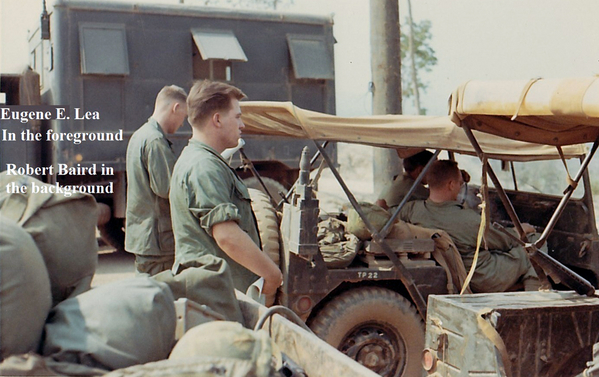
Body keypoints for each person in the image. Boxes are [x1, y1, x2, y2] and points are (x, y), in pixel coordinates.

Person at [169, 80, 283, 296]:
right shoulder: (205, 166)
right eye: (237, 117)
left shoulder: (201, 160)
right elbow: (227, 236)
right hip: (215, 296)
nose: (243, 125)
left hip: (215, 291)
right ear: (218, 119)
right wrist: (272, 275)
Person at [399, 159, 541, 293]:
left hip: (455, 274)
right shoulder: (467, 220)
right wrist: (520, 229)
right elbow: (505, 241)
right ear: (451, 185)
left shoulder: (411, 210)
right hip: (483, 277)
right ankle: (535, 296)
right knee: (535, 242)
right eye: (460, 183)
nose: (461, 187)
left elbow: (389, 214)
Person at [125, 85, 188, 276]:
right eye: (183, 117)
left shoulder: (139, 135)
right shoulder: (156, 141)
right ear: (175, 108)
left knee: (146, 296)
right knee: (160, 299)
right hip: (158, 240)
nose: (182, 124)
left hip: (144, 237)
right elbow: (168, 189)